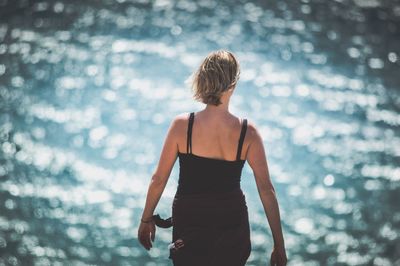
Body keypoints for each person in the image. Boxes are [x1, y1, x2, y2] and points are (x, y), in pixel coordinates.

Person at [137, 50, 287, 266]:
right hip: (232, 224)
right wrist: (279, 245)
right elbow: (266, 190)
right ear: (233, 85)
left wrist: (146, 219)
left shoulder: (182, 126)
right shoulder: (248, 132)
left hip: (190, 221)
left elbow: (158, 179)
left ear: (203, 80)